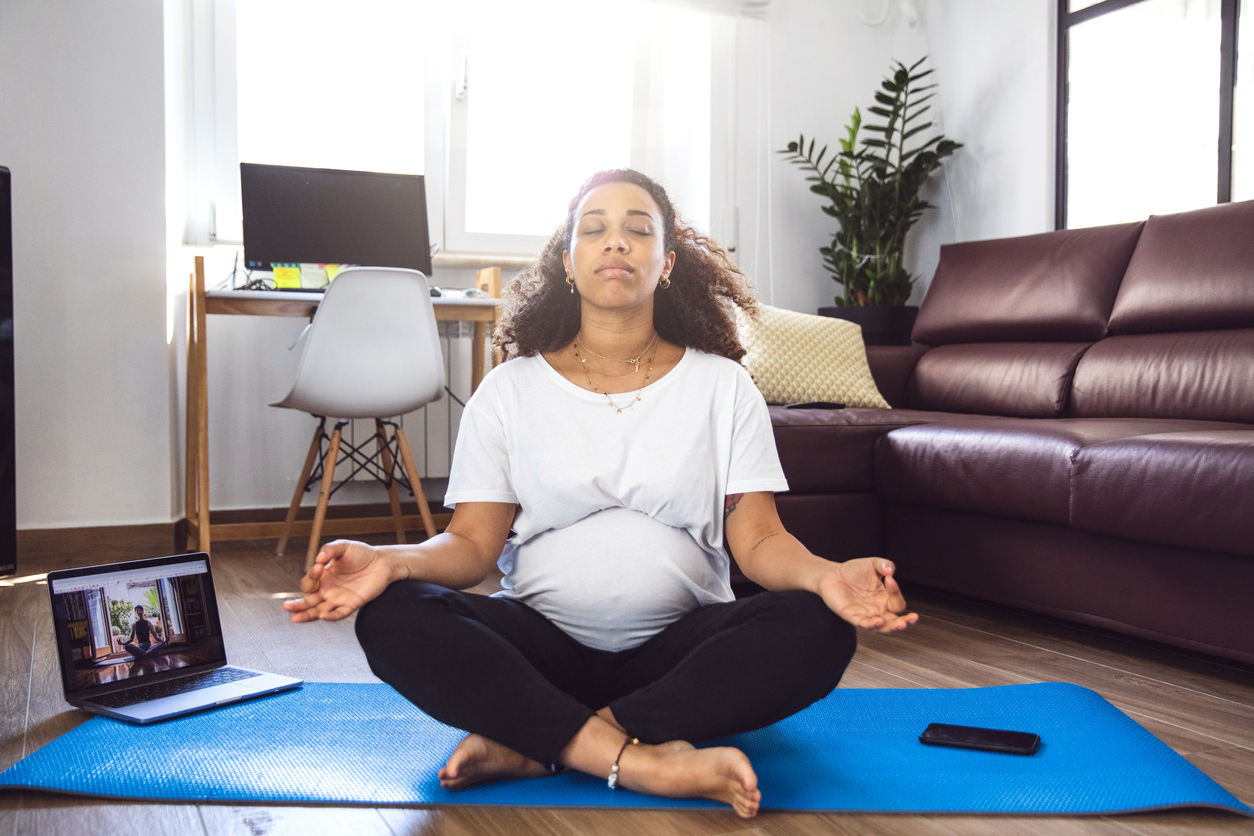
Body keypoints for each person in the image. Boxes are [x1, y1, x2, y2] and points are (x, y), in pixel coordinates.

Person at [284, 169, 917, 818]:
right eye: (595, 230)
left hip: (681, 658)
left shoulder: (723, 386)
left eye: (637, 231)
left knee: (818, 626)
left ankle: (545, 744)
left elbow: (757, 539)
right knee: (394, 614)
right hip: (541, 652)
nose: (616, 243)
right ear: (569, 262)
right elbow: (472, 544)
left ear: (666, 263)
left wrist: (828, 575)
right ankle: (640, 757)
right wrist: (394, 561)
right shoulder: (510, 390)